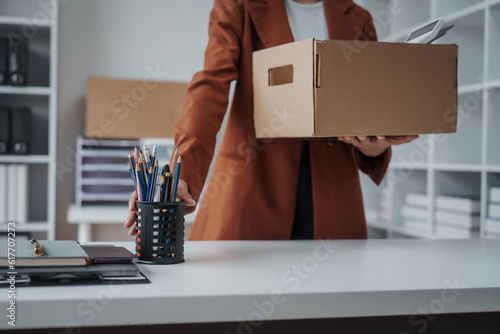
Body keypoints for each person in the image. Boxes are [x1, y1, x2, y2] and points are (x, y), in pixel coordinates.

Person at [125, 0, 417, 240]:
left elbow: (366, 107)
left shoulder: (359, 17)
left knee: (333, 301)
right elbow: (211, 86)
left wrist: (373, 149)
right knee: (237, 299)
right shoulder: (238, 5)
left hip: (334, 193)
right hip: (255, 182)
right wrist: (183, 173)